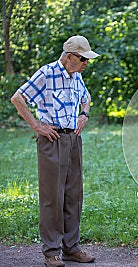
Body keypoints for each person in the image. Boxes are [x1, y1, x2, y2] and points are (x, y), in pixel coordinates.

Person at [10, 35, 99, 267]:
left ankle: (71, 248)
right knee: (53, 198)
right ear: (69, 57)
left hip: (73, 140)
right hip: (52, 140)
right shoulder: (46, 74)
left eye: (87, 60)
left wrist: (84, 114)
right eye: (82, 59)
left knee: (73, 196)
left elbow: (86, 98)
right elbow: (18, 98)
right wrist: (37, 126)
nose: (85, 64)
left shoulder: (76, 76)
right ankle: (51, 252)